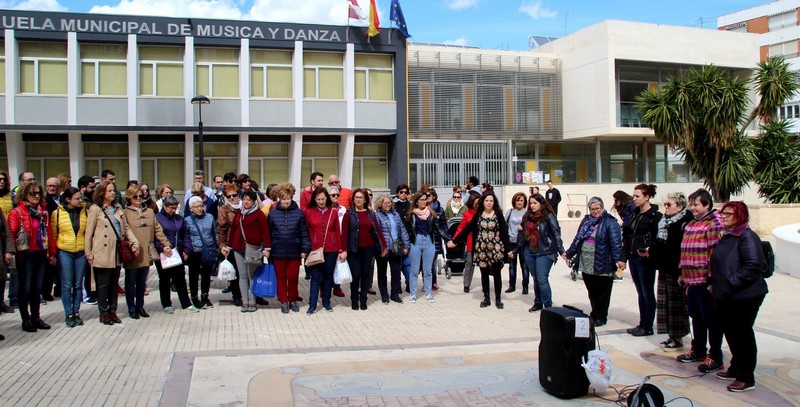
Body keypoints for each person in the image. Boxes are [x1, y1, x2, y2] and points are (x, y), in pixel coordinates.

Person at [710, 201, 768, 393]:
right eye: (722, 213)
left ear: (740, 216)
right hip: (727, 295)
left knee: (742, 335)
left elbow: (753, 266)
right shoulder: (728, 235)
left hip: (745, 296)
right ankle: (736, 367)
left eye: (728, 214)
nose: (723, 216)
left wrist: (731, 282)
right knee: (731, 333)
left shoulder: (747, 237)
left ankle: (746, 377)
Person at [676, 188, 725, 373]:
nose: (692, 207)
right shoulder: (691, 224)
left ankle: (715, 357)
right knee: (696, 318)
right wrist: (682, 273)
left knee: (711, 320)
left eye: (696, 204)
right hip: (691, 281)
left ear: (707, 204)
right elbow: (685, 250)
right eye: (691, 204)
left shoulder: (714, 223)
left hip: (705, 281)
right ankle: (698, 350)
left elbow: (714, 253)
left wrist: (712, 280)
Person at [85, 180, 140, 325]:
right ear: (102, 193)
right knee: (103, 284)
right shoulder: (95, 209)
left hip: (116, 250)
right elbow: (88, 233)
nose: (112, 193)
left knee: (113, 283)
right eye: (109, 190)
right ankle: (103, 312)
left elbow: (126, 228)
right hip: (102, 251)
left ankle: (113, 311)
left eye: (113, 190)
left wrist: (134, 242)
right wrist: (89, 253)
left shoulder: (117, 208)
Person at [562, 197, 622, 327]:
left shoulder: (610, 222)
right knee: (592, 290)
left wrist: (619, 260)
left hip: (603, 262)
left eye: (597, 209)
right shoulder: (586, 221)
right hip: (587, 262)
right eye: (592, 209)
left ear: (602, 208)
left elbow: (616, 243)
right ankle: (595, 313)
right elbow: (578, 239)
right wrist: (569, 253)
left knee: (602, 292)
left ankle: (601, 316)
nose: (595, 211)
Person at [450, 191, 512, 309]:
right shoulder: (478, 215)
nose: (489, 203)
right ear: (483, 202)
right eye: (487, 201)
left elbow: (504, 233)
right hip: (481, 248)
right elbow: (467, 229)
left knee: (496, 273)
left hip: (496, 248)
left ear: (494, 202)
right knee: (484, 274)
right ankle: (486, 298)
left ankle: (498, 299)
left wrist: (508, 249)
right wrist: (454, 241)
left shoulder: (498, 214)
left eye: (491, 201)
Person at [8, 181, 56, 332]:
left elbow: (48, 233)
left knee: (37, 287)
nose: (36, 196)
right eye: (32, 193)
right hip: (26, 254)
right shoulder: (17, 212)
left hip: (40, 253)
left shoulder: (43, 211)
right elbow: (11, 234)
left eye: (38, 193)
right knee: (26, 287)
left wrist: (52, 253)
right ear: (24, 195)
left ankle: (36, 317)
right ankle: (26, 319)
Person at [122, 184, 171, 320]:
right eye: (135, 196)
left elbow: (157, 230)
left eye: (140, 196)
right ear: (129, 198)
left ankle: (140, 306)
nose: (138, 199)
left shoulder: (149, 212)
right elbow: (124, 231)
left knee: (142, 282)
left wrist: (166, 243)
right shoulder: (125, 213)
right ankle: (131, 308)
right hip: (134, 252)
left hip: (147, 251)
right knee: (131, 281)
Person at [651, 192, 692, 349]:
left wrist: (682, 271)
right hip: (664, 268)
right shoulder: (664, 221)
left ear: (680, 207)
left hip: (676, 270)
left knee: (676, 306)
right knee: (665, 304)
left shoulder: (683, 222)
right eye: (665, 204)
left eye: (669, 205)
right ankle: (671, 335)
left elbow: (680, 248)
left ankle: (678, 337)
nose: (666, 208)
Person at [621, 183, 662, 337]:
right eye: (634, 195)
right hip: (633, 256)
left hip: (645, 259)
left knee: (647, 291)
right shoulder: (634, 213)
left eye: (638, 196)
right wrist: (623, 258)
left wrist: (649, 249)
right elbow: (627, 236)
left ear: (647, 197)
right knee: (640, 291)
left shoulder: (655, 216)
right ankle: (642, 322)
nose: (634, 199)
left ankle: (648, 325)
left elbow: (658, 239)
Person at [221, 189, 270, 312]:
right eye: (244, 199)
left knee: (251, 276)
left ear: (254, 201)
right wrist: (228, 246)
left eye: (249, 199)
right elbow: (233, 230)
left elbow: (265, 232)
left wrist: (267, 248)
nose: (246, 202)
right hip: (238, 248)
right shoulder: (239, 213)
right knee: (242, 276)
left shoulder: (259, 214)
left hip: (253, 248)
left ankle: (252, 301)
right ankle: (245, 301)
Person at [514, 194, 565, 312]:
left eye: (535, 203)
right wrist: (516, 248)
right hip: (529, 250)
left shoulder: (548, 216)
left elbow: (556, 233)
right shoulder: (527, 216)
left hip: (545, 250)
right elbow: (522, 234)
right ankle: (538, 302)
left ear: (541, 204)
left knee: (542, 278)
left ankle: (548, 306)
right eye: (530, 203)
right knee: (536, 278)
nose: (532, 206)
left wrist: (561, 250)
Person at [267, 183, 310, 314]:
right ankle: (283, 300)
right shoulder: (273, 214)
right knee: (281, 277)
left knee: (292, 277)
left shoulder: (299, 214)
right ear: (279, 199)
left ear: (291, 198)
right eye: (283, 199)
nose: (286, 201)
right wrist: (267, 249)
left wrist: (305, 249)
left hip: (294, 251)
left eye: (288, 198)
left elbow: (304, 232)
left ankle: (292, 299)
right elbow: (268, 233)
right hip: (278, 251)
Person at [342, 189, 387, 310]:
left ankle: (363, 300)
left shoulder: (370, 214)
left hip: (368, 248)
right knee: (356, 275)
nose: (358, 199)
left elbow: (377, 230)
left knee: (365, 274)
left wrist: (383, 246)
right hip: (354, 249)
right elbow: (344, 233)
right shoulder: (349, 214)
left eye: (360, 197)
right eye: (356, 197)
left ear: (365, 199)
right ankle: (354, 300)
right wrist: (343, 250)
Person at [304, 187, 345, 314]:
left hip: (331, 249)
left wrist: (340, 249)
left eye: (323, 199)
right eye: (318, 199)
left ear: (327, 198)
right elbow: (306, 231)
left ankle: (326, 302)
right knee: (316, 278)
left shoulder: (333, 212)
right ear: (314, 199)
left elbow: (338, 232)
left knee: (328, 277)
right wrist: (308, 247)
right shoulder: (309, 212)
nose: (321, 202)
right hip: (315, 250)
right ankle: (312, 304)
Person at [52, 187, 89, 328]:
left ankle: (76, 312)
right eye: (77, 198)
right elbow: (55, 234)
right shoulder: (57, 213)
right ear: (68, 199)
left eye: (81, 198)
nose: (80, 200)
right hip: (65, 251)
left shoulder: (85, 211)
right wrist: (54, 253)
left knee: (78, 284)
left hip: (80, 251)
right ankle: (69, 314)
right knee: (67, 285)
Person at [154, 195, 198, 314]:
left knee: (180, 279)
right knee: (164, 279)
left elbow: (186, 235)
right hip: (164, 253)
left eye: (175, 208)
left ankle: (186, 303)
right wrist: (162, 247)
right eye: (171, 208)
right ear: (165, 207)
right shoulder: (158, 218)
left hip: (177, 253)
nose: (173, 210)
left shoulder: (179, 218)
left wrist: (187, 250)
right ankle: (166, 304)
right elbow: (155, 236)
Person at [406, 191, 451, 304]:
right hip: (416, 242)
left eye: (425, 199)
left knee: (428, 271)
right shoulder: (411, 214)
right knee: (414, 271)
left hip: (429, 242)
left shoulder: (431, 213)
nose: (424, 201)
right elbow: (407, 231)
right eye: (421, 199)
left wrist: (448, 239)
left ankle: (428, 293)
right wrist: (406, 245)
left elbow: (439, 228)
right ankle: (413, 294)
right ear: (416, 201)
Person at [375, 195, 410, 304]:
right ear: (380, 203)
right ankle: (384, 296)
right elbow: (377, 233)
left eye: (389, 202)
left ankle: (395, 294)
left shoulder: (395, 214)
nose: (388, 204)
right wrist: (381, 247)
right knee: (382, 273)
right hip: (383, 249)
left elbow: (402, 229)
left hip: (395, 248)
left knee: (396, 272)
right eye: (385, 202)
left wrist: (406, 245)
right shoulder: (377, 215)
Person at [184, 196, 218, 309]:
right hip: (194, 251)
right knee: (193, 275)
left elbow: (215, 233)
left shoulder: (210, 217)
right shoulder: (187, 220)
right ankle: (194, 297)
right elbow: (186, 237)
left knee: (206, 275)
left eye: (201, 206)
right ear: (191, 209)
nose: (200, 208)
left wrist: (218, 246)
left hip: (209, 250)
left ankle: (205, 296)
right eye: (197, 206)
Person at [217, 183, 244, 306]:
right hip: (232, 243)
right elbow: (222, 229)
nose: (232, 198)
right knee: (235, 273)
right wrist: (222, 245)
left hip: (247, 243)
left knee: (249, 272)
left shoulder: (245, 206)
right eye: (229, 196)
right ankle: (237, 296)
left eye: (234, 195)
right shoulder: (224, 209)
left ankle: (253, 295)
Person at [454, 191, 481, 293]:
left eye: (478, 202)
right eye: (474, 202)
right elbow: (461, 228)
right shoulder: (467, 214)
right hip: (471, 242)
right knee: (469, 264)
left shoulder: (484, 213)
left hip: (484, 241)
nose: (476, 204)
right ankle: (466, 284)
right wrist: (454, 240)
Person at [504, 192, 529, 294]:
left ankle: (525, 286)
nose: (519, 202)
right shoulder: (510, 212)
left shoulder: (527, 213)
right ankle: (512, 285)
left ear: (525, 202)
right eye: (517, 200)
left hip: (523, 243)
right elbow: (503, 224)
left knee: (524, 266)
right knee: (512, 265)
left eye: (521, 200)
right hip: (511, 241)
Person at [328, 185, 347, 297]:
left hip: (340, 239)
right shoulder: (325, 209)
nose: (336, 196)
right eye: (333, 195)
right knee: (327, 266)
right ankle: (324, 287)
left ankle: (337, 287)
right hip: (329, 241)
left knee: (338, 264)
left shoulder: (343, 209)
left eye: (337, 195)